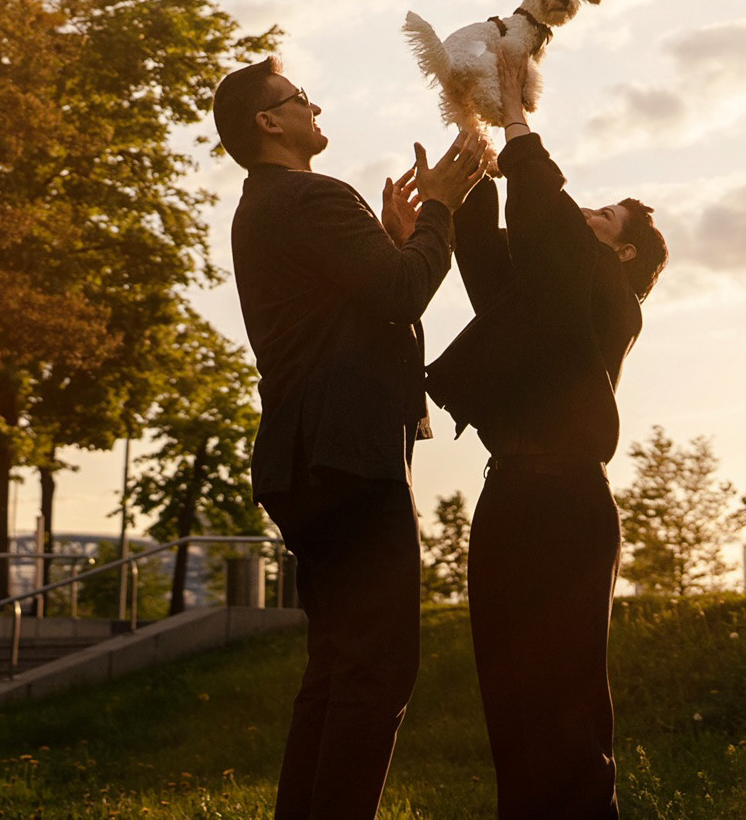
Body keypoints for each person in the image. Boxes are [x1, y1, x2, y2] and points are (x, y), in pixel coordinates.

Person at [214, 57, 482, 820]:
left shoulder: (265, 203)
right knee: (377, 672)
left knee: (336, 669)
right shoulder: (313, 195)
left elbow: (375, 295)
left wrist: (399, 241)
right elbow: (401, 291)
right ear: (270, 122)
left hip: (305, 458)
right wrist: (439, 212)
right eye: (300, 98)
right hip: (348, 454)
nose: (315, 104)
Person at [425, 44, 668, 819]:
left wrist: (518, 119)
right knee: (509, 694)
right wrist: (471, 164)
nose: (582, 214)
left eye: (603, 216)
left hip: (569, 506)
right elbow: (493, 264)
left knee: (566, 698)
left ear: (623, 251)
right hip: (508, 499)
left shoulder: (613, 301)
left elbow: (553, 233)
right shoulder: (548, 290)